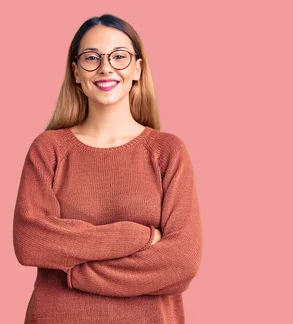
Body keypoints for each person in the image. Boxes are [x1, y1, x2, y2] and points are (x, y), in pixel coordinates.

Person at [12, 14, 202, 324]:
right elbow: (31, 241)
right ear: (76, 72)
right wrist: (138, 236)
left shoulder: (168, 151)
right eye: (91, 57)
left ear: (137, 68)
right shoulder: (49, 149)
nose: (105, 67)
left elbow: (181, 263)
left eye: (119, 56)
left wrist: (73, 271)